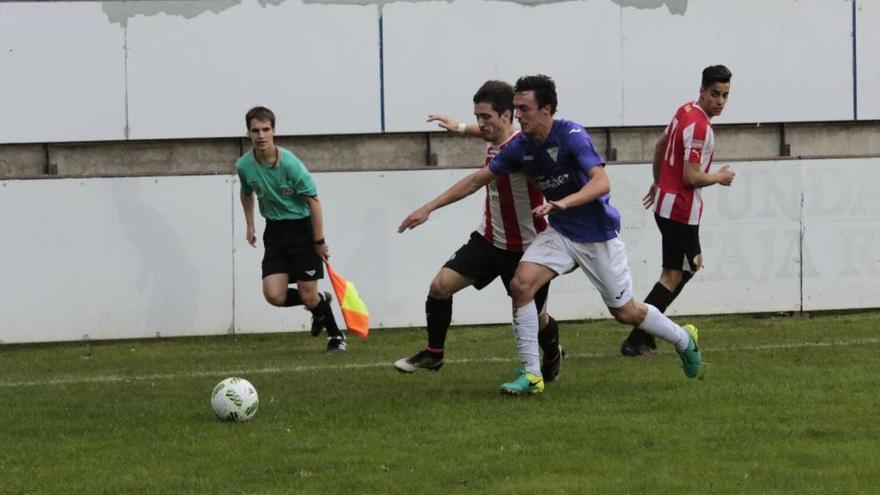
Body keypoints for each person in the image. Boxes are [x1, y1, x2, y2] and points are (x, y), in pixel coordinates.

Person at [451, 75, 703, 395]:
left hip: (597, 236)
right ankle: (531, 374)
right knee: (520, 284)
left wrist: (562, 203)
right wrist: (428, 208)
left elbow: (601, 183)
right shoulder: (521, 147)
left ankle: (684, 339)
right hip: (560, 233)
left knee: (626, 312)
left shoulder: (571, 135)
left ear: (547, 109)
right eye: (515, 109)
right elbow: (477, 180)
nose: (518, 115)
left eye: (524, 108)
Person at [394, 80, 565, 383]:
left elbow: (474, 183)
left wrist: (428, 208)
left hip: (528, 249)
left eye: (486, 117)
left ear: (507, 116)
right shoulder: (502, 138)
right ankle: (434, 353)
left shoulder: (522, 151)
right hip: (489, 240)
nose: (480, 123)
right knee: (440, 287)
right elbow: (489, 135)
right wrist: (458, 126)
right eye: (477, 116)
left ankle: (552, 351)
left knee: (535, 320)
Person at [620, 65, 735, 357]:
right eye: (715, 94)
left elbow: (660, 146)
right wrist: (720, 177)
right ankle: (640, 336)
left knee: (678, 269)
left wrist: (658, 181)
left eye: (725, 95)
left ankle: (643, 334)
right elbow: (691, 177)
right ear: (702, 90)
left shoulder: (685, 110)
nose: (720, 102)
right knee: (680, 271)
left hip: (667, 206)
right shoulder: (700, 127)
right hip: (681, 210)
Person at [236, 106, 346, 352]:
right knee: (274, 295)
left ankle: (336, 336)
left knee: (308, 295)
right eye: (256, 130)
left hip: (302, 231)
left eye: (266, 129)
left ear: (274, 130)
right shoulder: (244, 165)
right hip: (275, 232)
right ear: (248, 133)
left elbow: (314, 202)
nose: (261, 135)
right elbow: (246, 193)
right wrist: (250, 223)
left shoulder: (291, 164)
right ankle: (320, 302)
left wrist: (319, 241)